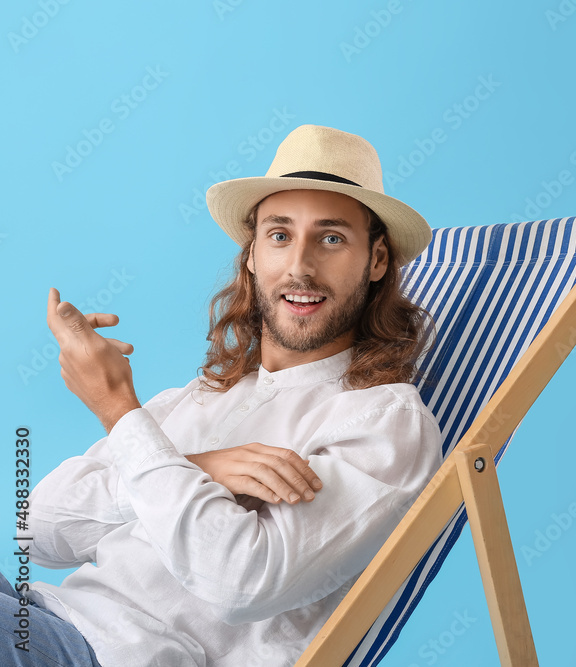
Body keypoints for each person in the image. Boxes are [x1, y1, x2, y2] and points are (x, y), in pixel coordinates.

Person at [11, 125, 444, 666]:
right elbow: (37, 531)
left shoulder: (384, 421)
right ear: (252, 256)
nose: (300, 266)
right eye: (280, 235)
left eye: (331, 238)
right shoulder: (203, 392)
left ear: (377, 260)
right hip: (39, 610)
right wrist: (200, 468)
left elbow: (241, 581)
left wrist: (119, 411)